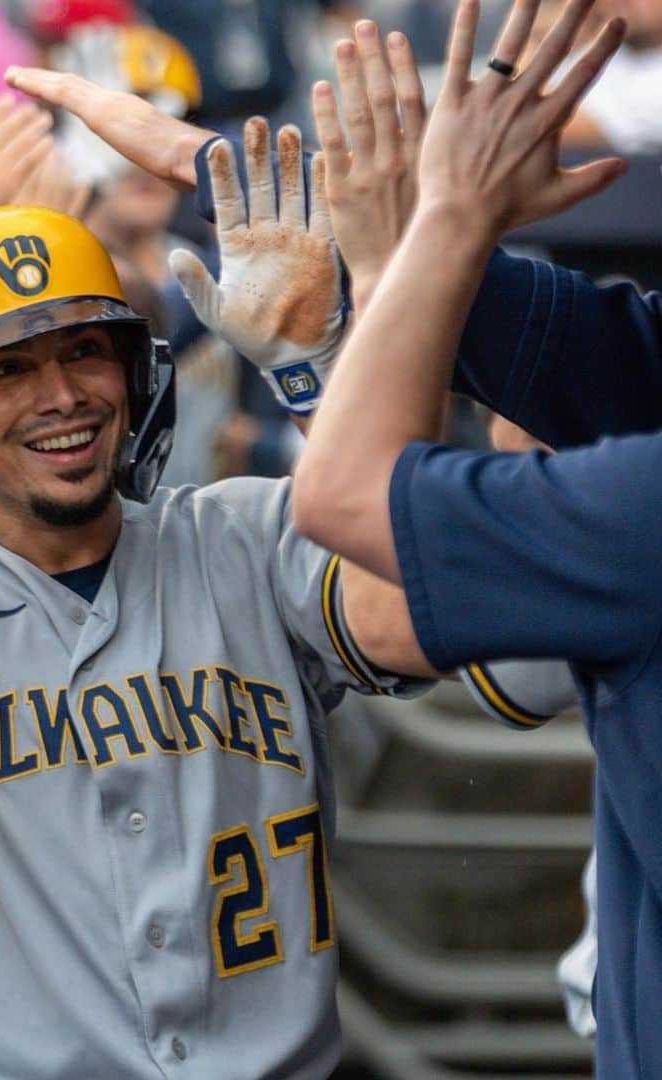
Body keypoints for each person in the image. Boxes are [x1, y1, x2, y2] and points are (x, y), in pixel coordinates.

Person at [0, 95, 485, 1076]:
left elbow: (421, 606)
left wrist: (318, 367)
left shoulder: (248, 539)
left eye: (85, 350)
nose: (61, 395)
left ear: (133, 372)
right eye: (5, 370)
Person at [280, 0, 661, 1073]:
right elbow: (605, 356)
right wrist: (401, 238)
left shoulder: (639, 507)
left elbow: (347, 497)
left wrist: (445, 220)